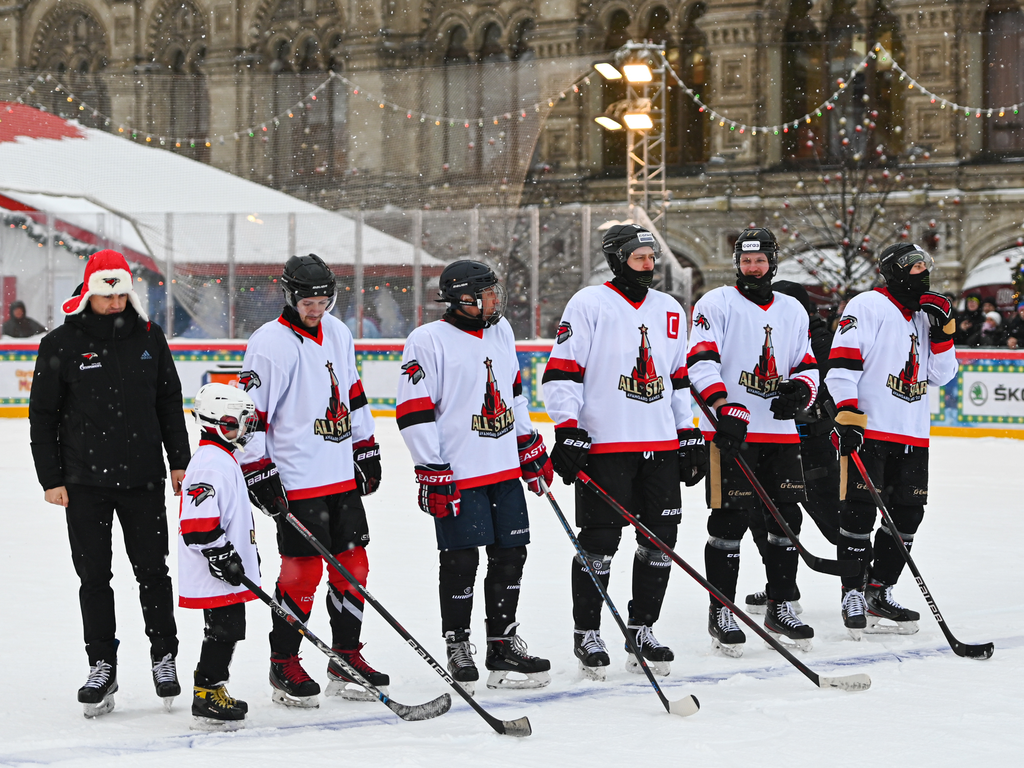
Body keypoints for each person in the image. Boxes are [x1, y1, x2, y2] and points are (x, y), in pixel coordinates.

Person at [29, 249, 189, 717]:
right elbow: (43, 417)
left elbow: (168, 402)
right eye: (107, 292)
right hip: (83, 483)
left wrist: (180, 461)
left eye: (122, 292)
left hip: (143, 479)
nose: (116, 300)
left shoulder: (149, 336)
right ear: (90, 293)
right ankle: (102, 664)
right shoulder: (60, 343)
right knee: (94, 577)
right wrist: (51, 478)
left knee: (153, 573)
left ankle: (164, 656)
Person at [542, 224, 707, 680]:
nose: (650, 265)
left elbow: (677, 381)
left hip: (659, 446)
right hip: (607, 446)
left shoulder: (670, 309)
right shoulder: (589, 304)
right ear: (617, 260)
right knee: (599, 543)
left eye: (652, 257)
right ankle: (587, 632)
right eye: (639, 257)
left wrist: (687, 431)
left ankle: (642, 627)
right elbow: (562, 372)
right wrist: (569, 428)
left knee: (660, 542)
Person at [396, 260, 553, 694]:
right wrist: (431, 467)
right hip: (458, 473)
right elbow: (413, 412)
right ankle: (458, 643)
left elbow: (514, 394)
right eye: (486, 293)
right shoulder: (426, 340)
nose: (494, 300)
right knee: (462, 560)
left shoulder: (500, 331)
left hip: (503, 469)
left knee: (511, 555)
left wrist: (528, 444)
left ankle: (502, 645)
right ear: (463, 298)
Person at [239, 253, 385, 708]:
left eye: (323, 299)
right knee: (302, 573)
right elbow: (249, 414)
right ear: (289, 295)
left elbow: (353, 391)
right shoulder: (268, 344)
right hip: (298, 478)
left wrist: (366, 446)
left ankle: (345, 656)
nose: (316, 307)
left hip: (339, 473)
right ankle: (284, 660)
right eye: (307, 300)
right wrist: (257, 470)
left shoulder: (339, 333)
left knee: (354, 566)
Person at [686, 228, 819, 656]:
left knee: (785, 522)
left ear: (772, 262)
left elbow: (806, 364)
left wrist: (801, 391)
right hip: (731, 434)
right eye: (745, 261)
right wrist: (725, 407)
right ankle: (721, 609)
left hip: (779, 433)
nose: (752, 268)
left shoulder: (793, 310)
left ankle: (781, 604)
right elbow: (700, 362)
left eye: (759, 260)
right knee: (728, 523)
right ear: (737, 264)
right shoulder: (717, 303)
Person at [827, 242, 959, 638]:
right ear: (894, 272)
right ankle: (851, 591)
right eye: (914, 267)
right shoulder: (866, 305)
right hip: (872, 430)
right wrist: (848, 415)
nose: (923, 273)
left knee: (908, 515)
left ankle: (878, 590)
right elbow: (841, 366)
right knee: (860, 512)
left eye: (925, 266)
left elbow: (942, 374)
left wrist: (943, 332)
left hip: (914, 431)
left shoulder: (924, 314)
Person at [743, 280, 840, 617]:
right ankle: (782, 588)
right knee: (763, 518)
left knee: (834, 519)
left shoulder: (821, 338)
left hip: (811, 442)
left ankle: (860, 584)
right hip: (772, 441)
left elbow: (823, 382)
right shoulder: (770, 329)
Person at [179, 383, 262, 731]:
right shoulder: (210, 464)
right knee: (223, 630)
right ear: (212, 423)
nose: (240, 431)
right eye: (233, 423)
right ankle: (207, 692)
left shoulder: (222, 457)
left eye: (244, 423)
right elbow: (197, 525)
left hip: (224, 570)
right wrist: (221, 555)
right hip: (216, 570)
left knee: (227, 629)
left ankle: (212, 687)